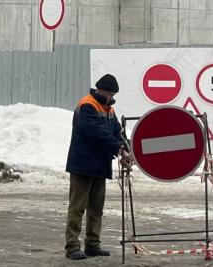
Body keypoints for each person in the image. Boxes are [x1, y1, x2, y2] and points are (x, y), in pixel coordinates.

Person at [64, 74, 131, 260]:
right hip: (83, 164)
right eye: (110, 93)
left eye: (113, 94)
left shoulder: (109, 109)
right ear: (100, 90)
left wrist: (127, 146)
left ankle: (93, 245)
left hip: (99, 164)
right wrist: (118, 148)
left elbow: (117, 131)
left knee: (96, 208)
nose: (112, 97)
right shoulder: (88, 105)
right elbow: (95, 132)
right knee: (77, 207)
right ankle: (72, 246)